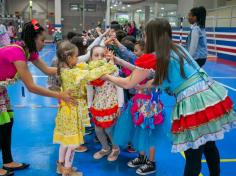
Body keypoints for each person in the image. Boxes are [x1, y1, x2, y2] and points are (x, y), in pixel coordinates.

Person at [101, 18, 236, 176]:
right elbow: (155, 74)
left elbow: (127, 83)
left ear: (150, 35)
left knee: (194, 154)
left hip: (193, 103)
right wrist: (121, 63)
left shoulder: (154, 56)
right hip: (208, 95)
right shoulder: (177, 49)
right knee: (209, 145)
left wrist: (105, 76)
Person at [0, 20, 73, 176]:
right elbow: (31, 87)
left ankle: (7, 161)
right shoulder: (17, 53)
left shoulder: (29, 52)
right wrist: (59, 95)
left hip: (1, 90)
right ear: (32, 39)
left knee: (6, 123)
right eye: (41, 40)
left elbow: (47, 70)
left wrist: (71, 70)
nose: (44, 43)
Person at [54, 41, 117, 176]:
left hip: (66, 110)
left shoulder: (68, 69)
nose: (78, 59)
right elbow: (91, 74)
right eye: (76, 56)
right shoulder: (72, 73)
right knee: (72, 143)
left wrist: (104, 61)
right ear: (69, 58)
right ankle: (68, 170)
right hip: (72, 111)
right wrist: (109, 65)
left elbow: (88, 67)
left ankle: (60, 165)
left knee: (65, 141)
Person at [87, 46, 124, 162]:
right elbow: (90, 90)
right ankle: (105, 148)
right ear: (91, 58)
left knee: (109, 129)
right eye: (96, 55)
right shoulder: (90, 72)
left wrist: (120, 105)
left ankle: (116, 148)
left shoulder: (112, 69)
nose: (99, 58)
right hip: (98, 104)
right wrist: (89, 106)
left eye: (102, 55)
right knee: (98, 129)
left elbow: (119, 87)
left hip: (111, 103)